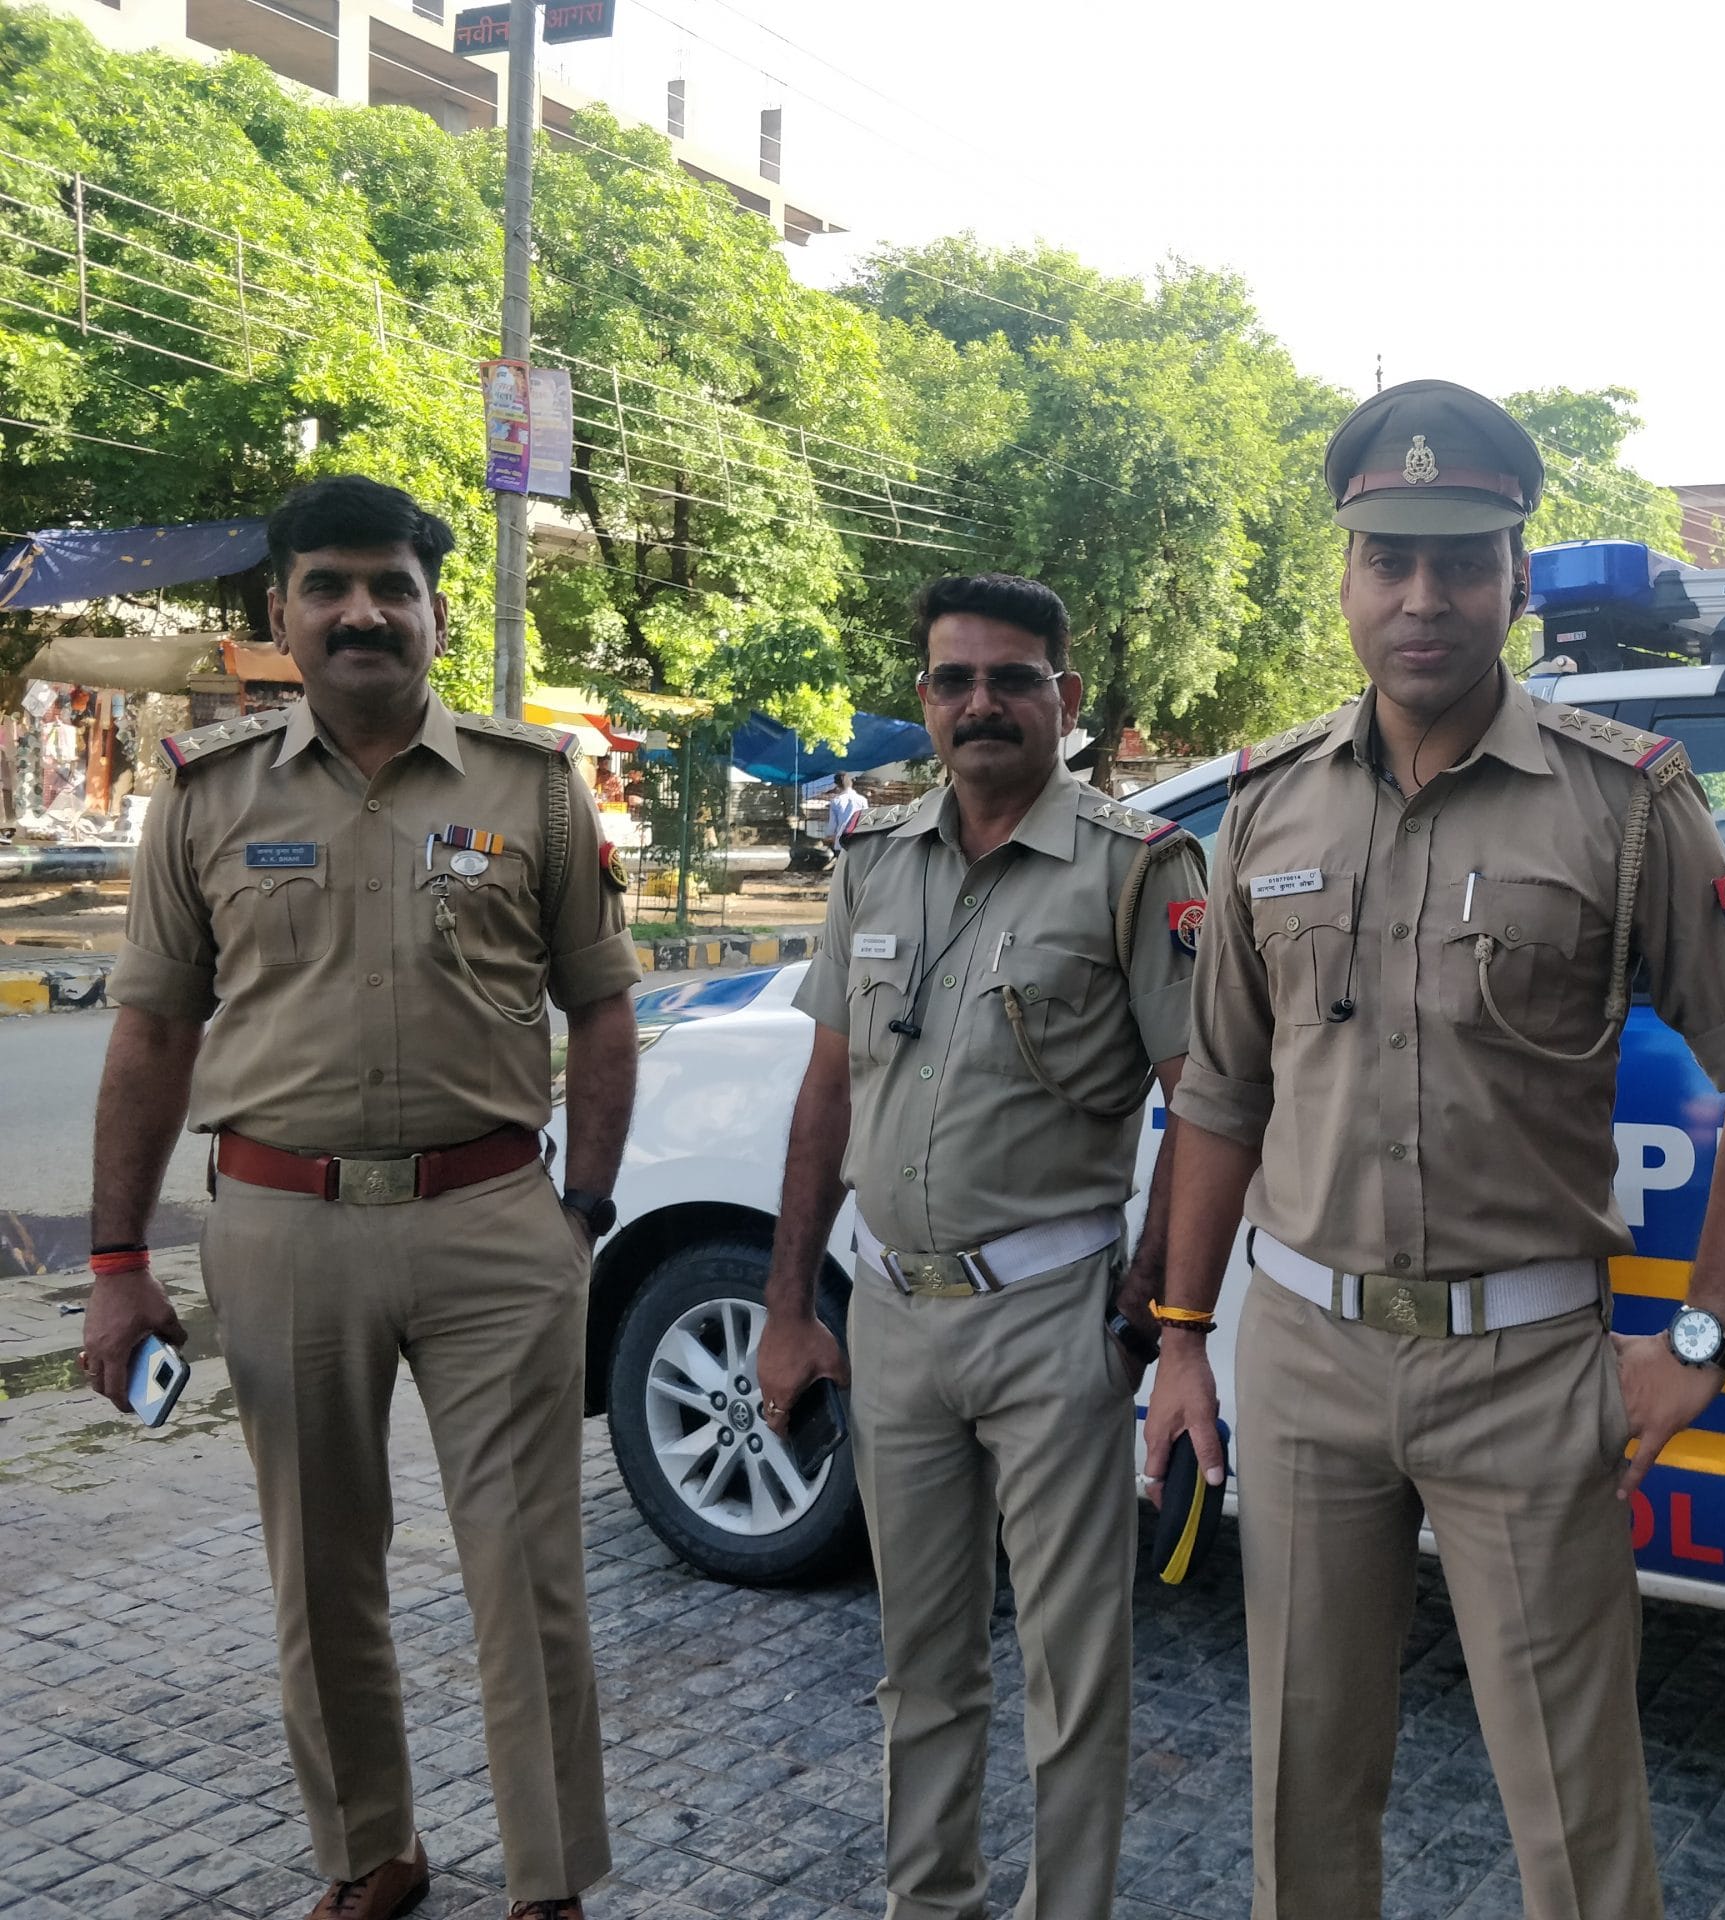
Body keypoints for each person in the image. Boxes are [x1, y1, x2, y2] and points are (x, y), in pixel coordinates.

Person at [1143, 379, 1725, 1920]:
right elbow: (1222, 1095)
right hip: (1306, 1358)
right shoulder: (1265, 806)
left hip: (1529, 1376)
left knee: (1574, 1805)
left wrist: (1702, 1336)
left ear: (1514, 576)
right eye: (1390, 560)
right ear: (1347, 578)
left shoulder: (1623, 805)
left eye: (1461, 561)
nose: (1424, 597)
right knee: (1303, 1780)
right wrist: (1184, 1340)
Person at [79, 476, 641, 1920]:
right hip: (280, 1229)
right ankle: (370, 1854)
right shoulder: (207, 797)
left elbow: (600, 1011)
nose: (362, 611)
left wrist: (580, 1209)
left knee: (528, 1575)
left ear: (436, 610)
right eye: (328, 586)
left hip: (495, 1226)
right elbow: (150, 1034)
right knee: (319, 1577)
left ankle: (548, 1882)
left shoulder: (533, 789)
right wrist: (117, 1260)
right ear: (282, 614)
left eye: (392, 584)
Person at [755, 572, 1206, 1920]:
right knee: (920, 1656)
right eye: (954, 680)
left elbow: (1211, 1106)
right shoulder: (875, 861)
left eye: (1014, 679)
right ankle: (929, 1902)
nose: (982, 703)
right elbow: (827, 1096)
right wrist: (791, 1302)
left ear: (1063, 700)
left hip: (1051, 1314)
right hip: (891, 1318)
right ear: (925, 700)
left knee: (1074, 1667)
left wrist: (1140, 1320)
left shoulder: (1136, 870)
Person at [823, 769, 868, 847]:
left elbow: (832, 825)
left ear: (837, 785)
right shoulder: (862, 800)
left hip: (841, 841)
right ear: (851, 783)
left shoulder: (836, 801)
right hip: (858, 841)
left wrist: (829, 836)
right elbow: (866, 821)